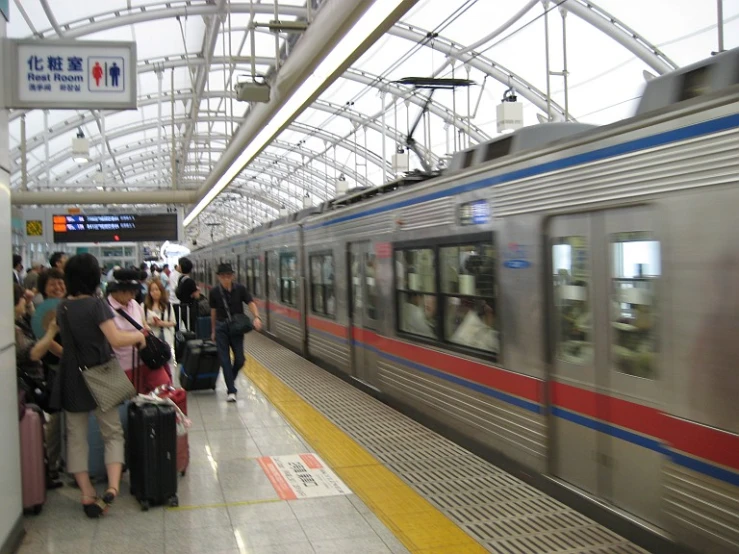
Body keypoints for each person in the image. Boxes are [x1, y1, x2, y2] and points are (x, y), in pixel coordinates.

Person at [50, 254, 146, 518]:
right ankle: (113, 487)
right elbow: (115, 337)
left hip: (71, 375)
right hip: (103, 371)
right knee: (113, 432)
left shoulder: (63, 307)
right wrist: (139, 335)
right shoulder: (97, 305)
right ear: (94, 277)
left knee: (76, 438)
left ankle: (86, 493)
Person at [14, 284, 64, 489]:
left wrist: (28, 303)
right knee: (49, 420)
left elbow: (31, 318)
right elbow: (33, 353)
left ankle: (43, 469)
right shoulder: (14, 329)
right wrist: (51, 330)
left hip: (34, 380)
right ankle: (45, 469)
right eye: (20, 300)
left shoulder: (20, 320)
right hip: (29, 383)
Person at [107, 269, 170, 394]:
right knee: (133, 405)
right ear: (117, 291)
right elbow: (114, 338)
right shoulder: (106, 309)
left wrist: (146, 328)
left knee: (165, 391)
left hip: (147, 359)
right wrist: (138, 336)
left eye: (134, 292)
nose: (133, 296)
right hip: (124, 366)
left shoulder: (134, 304)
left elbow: (143, 324)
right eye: (130, 292)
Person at [209, 263, 262, 403]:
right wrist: (213, 330)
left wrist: (256, 316)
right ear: (218, 277)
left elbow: (250, 302)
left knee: (240, 359)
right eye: (223, 276)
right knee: (224, 359)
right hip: (221, 327)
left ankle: (230, 378)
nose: (226, 279)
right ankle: (231, 390)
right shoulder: (214, 292)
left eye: (228, 276)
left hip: (236, 328)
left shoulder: (240, 289)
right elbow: (213, 312)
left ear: (233, 276)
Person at [142, 278, 176, 345]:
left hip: (166, 337)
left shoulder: (168, 305)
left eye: (157, 289)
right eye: (152, 290)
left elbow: (173, 322)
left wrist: (161, 323)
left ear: (161, 291)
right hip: (150, 338)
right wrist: (149, 323)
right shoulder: (144, 306)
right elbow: (142, 321)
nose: (155, 292)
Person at [175, 258, 200, 333]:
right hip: (190, 309)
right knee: (192, 328)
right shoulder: (190, 281)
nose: (178, 266)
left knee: (187, 327)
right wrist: (197, 291)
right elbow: (197, 296)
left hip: (182, 307)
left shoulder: (181, 279)